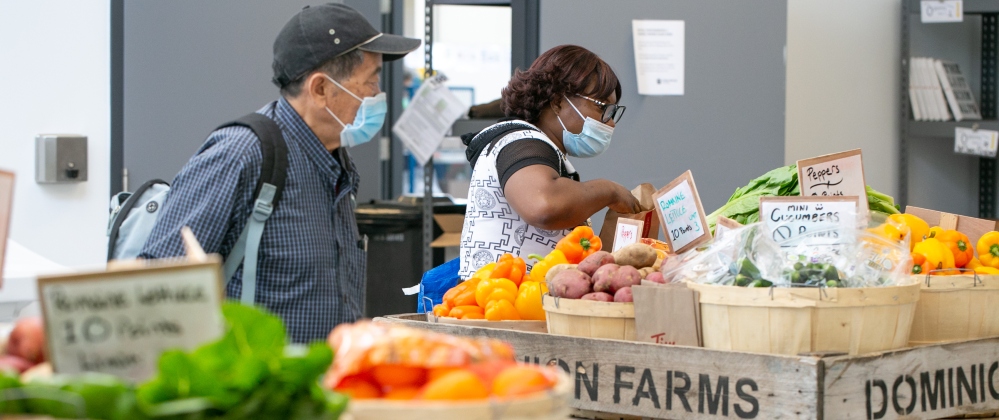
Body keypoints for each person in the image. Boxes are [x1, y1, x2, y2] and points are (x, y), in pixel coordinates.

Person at [139, 3, 420, 343]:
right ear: (320, 89)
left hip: (317, 387)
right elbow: (156, 286)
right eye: (370, 81)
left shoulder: (337, 165)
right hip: (253, 388)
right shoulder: (243, 154)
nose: (378, 95)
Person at [458, 45, 641, 278]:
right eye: (602, 107)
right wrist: (609, 191)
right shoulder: (520, 142)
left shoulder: (543, 151)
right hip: (501, 304)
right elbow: (544, 205)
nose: (610, 122)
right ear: (557, 102)